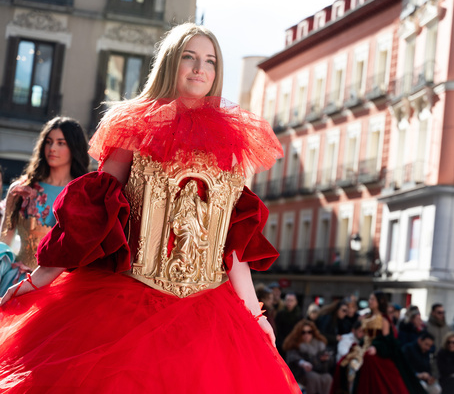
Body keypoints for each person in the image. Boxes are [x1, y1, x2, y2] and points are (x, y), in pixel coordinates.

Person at [0, 23, 300, 393]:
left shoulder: (231, 142)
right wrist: (40, 278)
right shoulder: (135, 127)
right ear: (171, 63)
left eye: (209, 61)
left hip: (207, 312)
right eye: (189, 57)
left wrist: (255, 315)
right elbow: (92, 211)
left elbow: (232, 243)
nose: (199, 69)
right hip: (125, 298)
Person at [0, 117, 89, 295]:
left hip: (58, 289)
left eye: (60, 143)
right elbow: (5, 241)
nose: (52, 148)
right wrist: (10, 199)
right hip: (15, 280)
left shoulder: (83, 193)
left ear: (74, 147)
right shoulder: (23, 187)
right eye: (48, 142)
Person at [350, 291, 425, 394]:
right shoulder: (367, 317)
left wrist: (376, 347)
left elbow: (387, 340)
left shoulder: (384, 320)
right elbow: (366, 337)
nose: (370, 301)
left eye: (373, 299)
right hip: (367, 350)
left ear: (380, 302)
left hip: (380, 353)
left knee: (370, 361)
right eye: (370, 299)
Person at [283, 320, 334, 394]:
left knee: (328, 378)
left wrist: (326, 359)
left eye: (309, 332)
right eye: (303, 332)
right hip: (301, 373)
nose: (306, 334)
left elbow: (328, 362)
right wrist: (302, 363)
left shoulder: (319, 344)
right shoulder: (294, 344)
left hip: (319, 371)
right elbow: (292, 357)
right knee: (313, 377)